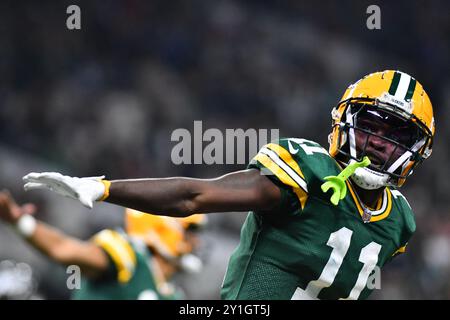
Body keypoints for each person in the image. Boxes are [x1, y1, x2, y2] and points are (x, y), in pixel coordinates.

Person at [22, 70, 435, 300]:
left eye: (395, 134)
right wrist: (104, 188)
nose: (378, 143)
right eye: (370, 126)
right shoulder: (306, 171)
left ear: (416, 149)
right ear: (344, 122)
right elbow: (194, 196)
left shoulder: (400, 222)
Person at [0, 191, 206, 300]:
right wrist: (20, 223)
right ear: (163, 229)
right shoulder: (128, 256)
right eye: (190, 232)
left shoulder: (173, 295)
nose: (196, 242)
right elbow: (64, 250)